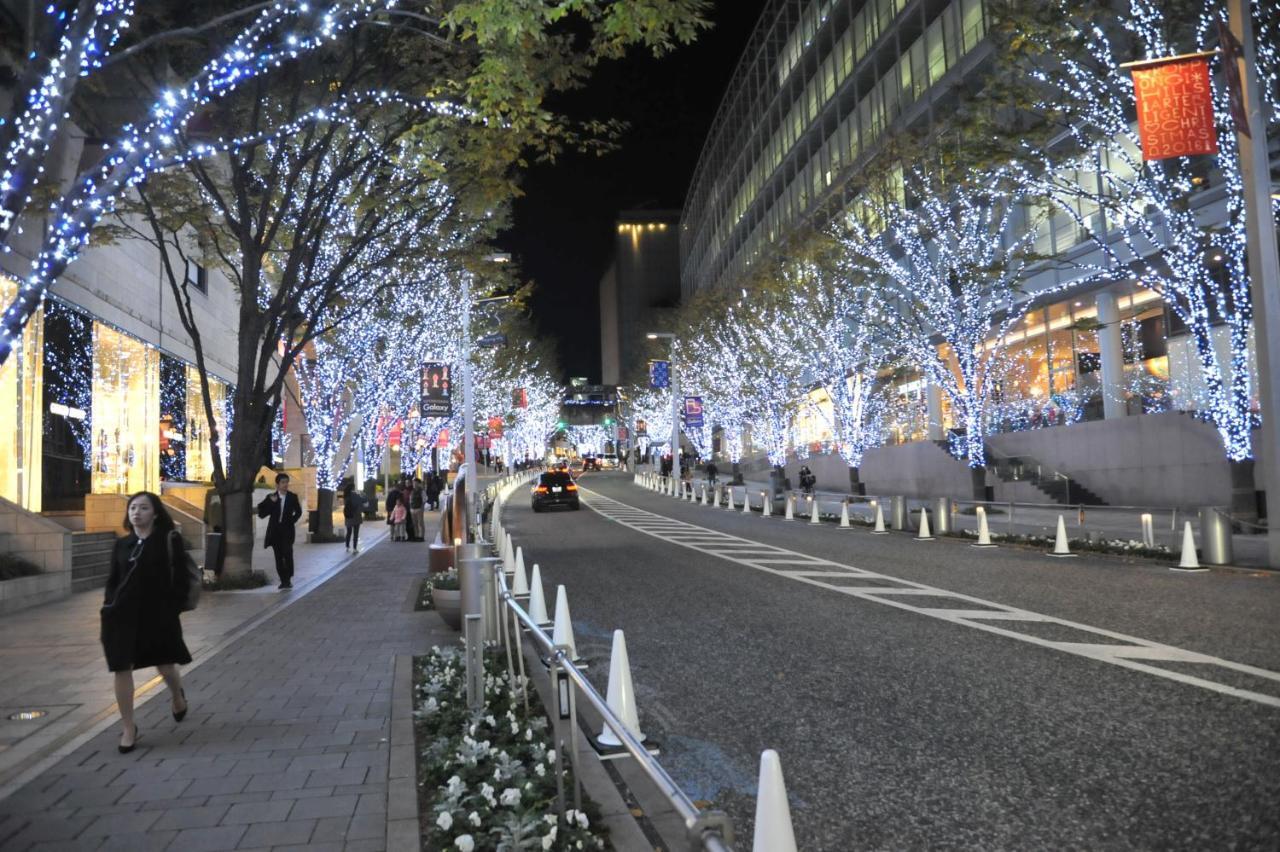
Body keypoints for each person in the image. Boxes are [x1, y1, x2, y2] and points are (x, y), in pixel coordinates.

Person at [100, 492, 191, 754]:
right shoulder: (122, 545)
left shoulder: (168, 540)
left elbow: (181, 579)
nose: (136, 512)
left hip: (158, 615)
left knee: (165, 665)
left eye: (143, 508)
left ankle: (177, 696)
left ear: (155, 513)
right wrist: (108, 607)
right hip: (121, 617)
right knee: (121, 667)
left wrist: (173, 609)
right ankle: (129, 727)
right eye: (132, 508)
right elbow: (113, 580)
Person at [257, 472, 303, 589]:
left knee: (287, 554)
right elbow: (262, 513)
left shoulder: (292, 497)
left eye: (287, 482)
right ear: (277, 484)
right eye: (283, 482)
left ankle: (288, 578)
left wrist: (292, 521)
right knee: (278, 556)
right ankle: (283, 580)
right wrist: (271, 503)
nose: (285, 484)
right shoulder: (272, 497)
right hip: (275, 531)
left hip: (287, 531)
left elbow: (298, 511)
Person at [342, 481, 365, 552]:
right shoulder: (355, 495)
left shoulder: (345, 496)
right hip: (356, 515)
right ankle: (354, 548)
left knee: (349, 532)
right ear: (353, 487)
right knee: (355, 533)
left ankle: (347, 546)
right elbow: (363, 501)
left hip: (348, 516)